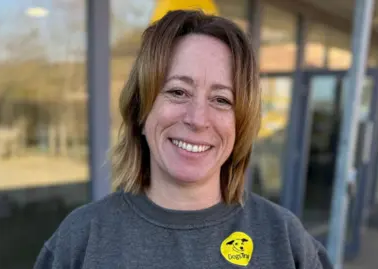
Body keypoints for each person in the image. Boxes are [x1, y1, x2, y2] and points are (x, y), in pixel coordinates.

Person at [34, 9, 334, 269]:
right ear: (141, 107)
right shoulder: (81, 240)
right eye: (178, 92)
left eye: (221, 99)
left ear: (241, 123)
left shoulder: (284, 240)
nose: (197, 119)